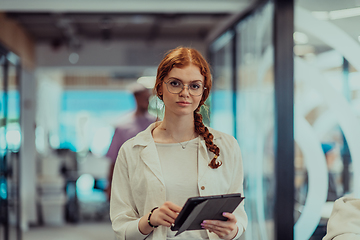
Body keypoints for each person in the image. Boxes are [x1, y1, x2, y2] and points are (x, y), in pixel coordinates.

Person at [110, 47, 248, 240]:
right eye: (175, 83)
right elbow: (121, 229)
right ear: (159, 88)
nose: (185, 92)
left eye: (194, 86)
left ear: (203, 92)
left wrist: (233, 230)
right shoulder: (131, 150)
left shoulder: (227, 146)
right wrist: (150, 220)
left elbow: (239, 215)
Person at [105, 82, 156, 199]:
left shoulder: (155, 124)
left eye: (148, 98)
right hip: (128, 180)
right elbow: (114, 159)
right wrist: (110, 185)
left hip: (152, 180)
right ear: (136, 98)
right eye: (144, 98)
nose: (147, 101)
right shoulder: (123, 126)